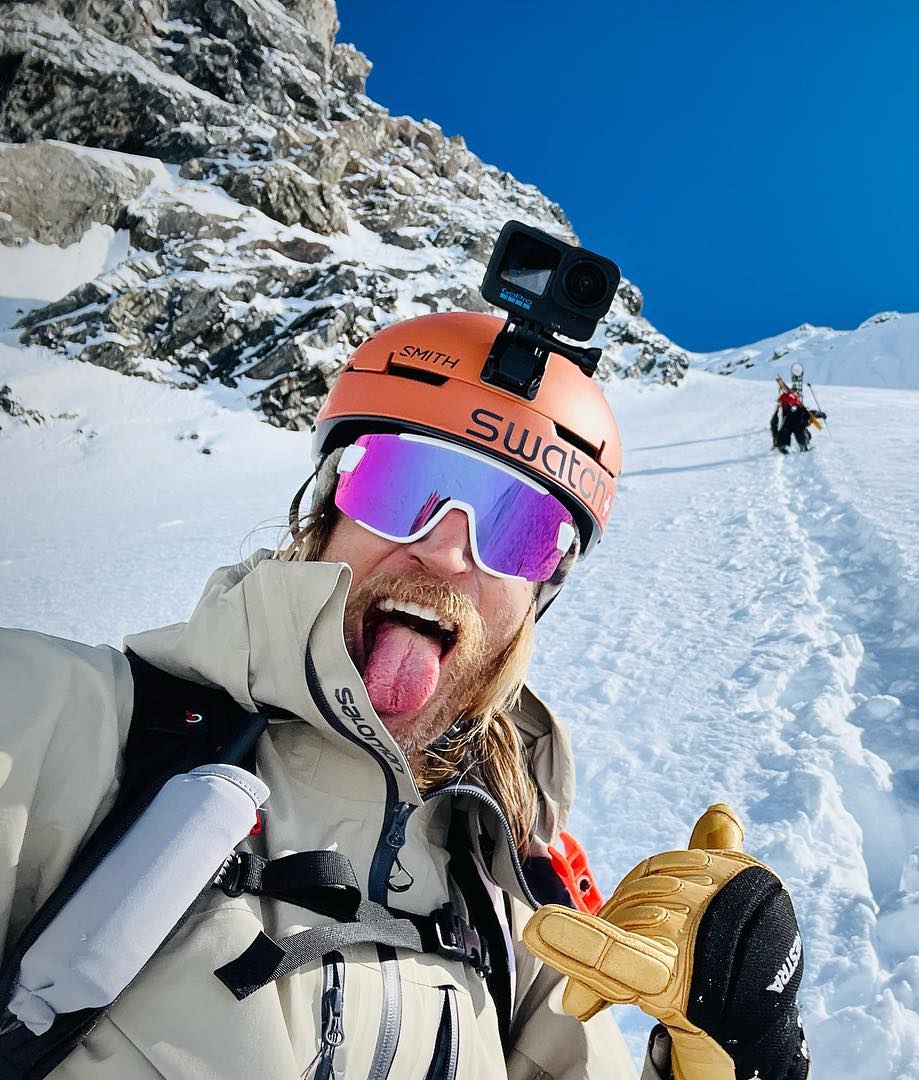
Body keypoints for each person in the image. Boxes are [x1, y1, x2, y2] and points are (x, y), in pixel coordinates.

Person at [0, 312, 808, 1079]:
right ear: (321, 515)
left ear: (538, 602)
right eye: (402, 484)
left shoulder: (518, 910)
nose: (447, 550)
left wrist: (729, 1051)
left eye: (518, 528)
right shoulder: (56, 726)